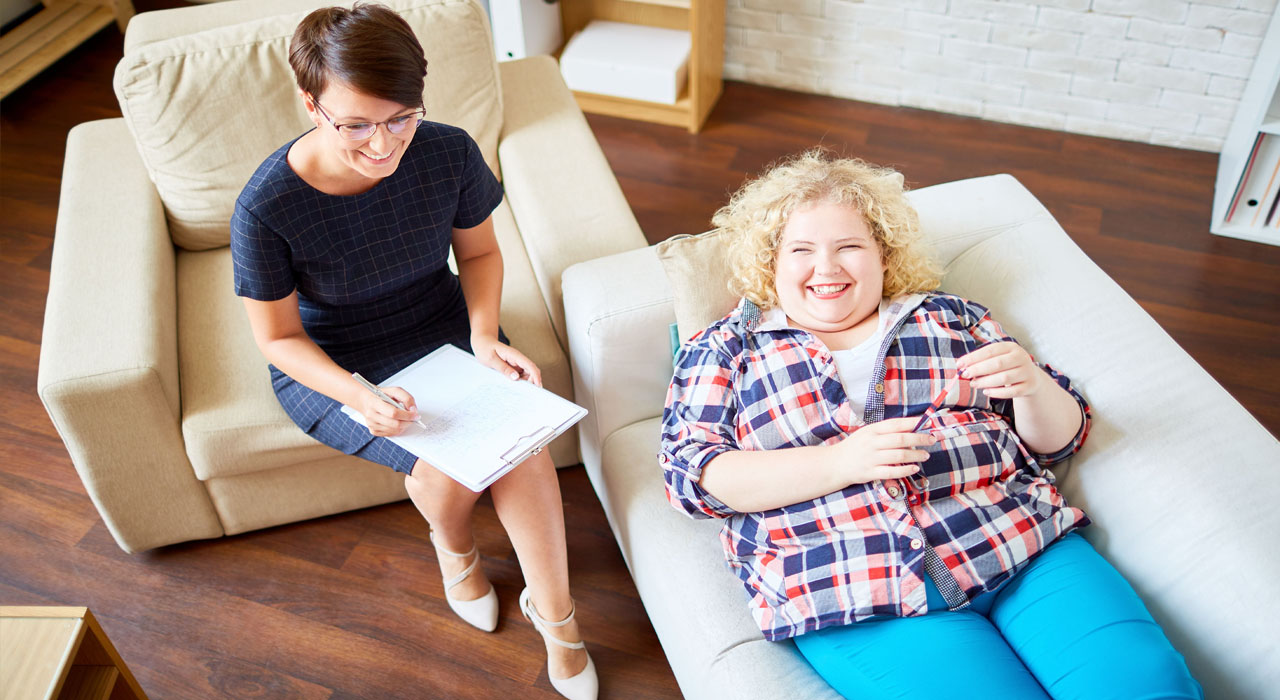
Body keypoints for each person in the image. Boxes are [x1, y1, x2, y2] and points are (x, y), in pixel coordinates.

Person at [659, 150, 1201, 700]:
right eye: (801, 250)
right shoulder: (725, 350)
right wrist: (840, 461)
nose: (826, 268)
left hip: (1022, 546)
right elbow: (690, 479)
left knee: (1148, 687)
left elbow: (1062, 439)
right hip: (855, 588)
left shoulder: (949, 318)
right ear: (770, 262)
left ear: (884, 256)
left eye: (849, 246)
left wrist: (1035, 386)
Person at [230, 5, 594, 698]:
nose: (382, 144)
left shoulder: (446, 150)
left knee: (522, 444)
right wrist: (357, 392)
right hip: (336, 359)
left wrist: (485, 336)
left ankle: (559, 622)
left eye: (401, 117)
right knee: (445, 470)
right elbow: (277, 337)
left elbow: (481, 254)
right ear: (310, 104)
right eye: (356, 124)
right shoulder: (266, 206)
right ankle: (456, 548)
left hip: (441, 321)